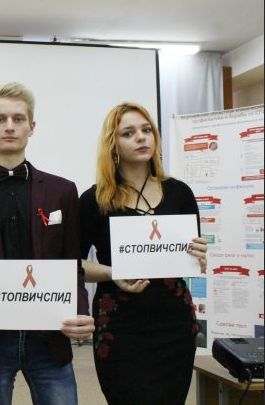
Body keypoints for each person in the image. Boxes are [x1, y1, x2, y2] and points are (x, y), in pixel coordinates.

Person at [0, 82, 95, 405]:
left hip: (50, 336)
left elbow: (72, 266)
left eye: (18, 118)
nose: (9, 126)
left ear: (32, 127)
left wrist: (81, 311)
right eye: (0, 119)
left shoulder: (62, 192)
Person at [79, 102, 208, 405]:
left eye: (146, 130)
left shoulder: (180, 193)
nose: (141, 137)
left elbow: (193, 258)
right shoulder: (95, 199)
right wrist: (113, 272)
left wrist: (199, 254)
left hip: (174, 323)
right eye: (128, 133)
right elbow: (73, 265)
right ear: (113, 145)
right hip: (120, 325)